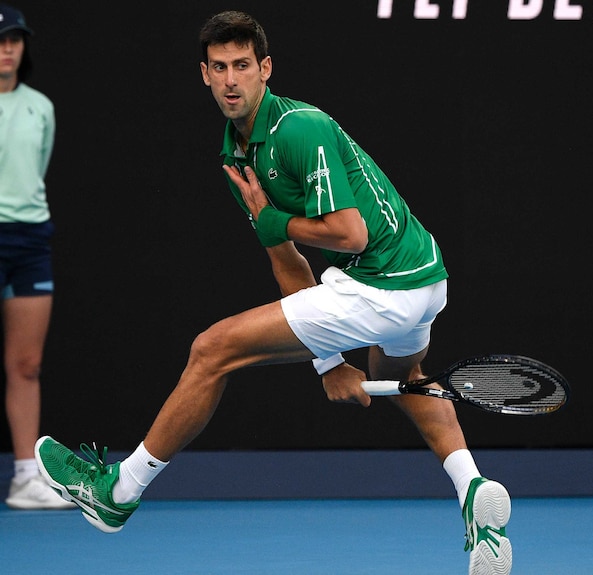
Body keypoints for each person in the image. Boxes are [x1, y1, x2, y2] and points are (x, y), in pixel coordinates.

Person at [35, 10, 512, 574]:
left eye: (243, 66)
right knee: (400, 378)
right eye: (220, 68)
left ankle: (119, 493)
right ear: (204, 76)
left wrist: (277, 224)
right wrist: (330, 363)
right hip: (422, 277)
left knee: (211, 351)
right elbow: (286, 262)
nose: (231, 80)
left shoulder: (297, 129)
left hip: (380, 281)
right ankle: (472, 493)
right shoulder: (236, 154)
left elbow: (347, 232)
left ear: (265, 69)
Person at [0, 4, 74, 510]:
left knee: (26, 363)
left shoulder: (40, 106)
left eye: (14, 40)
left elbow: (34, 170)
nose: (6, 49)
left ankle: (27, 477)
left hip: (27, 240)